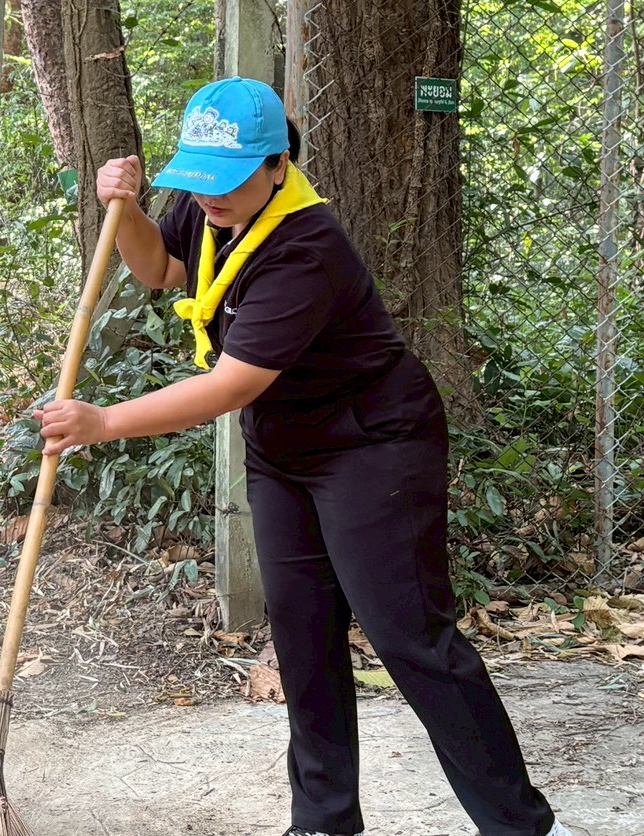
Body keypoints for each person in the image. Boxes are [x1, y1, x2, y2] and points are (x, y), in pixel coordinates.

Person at [35, 77, 573, 836]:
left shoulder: (305, 246)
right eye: (198, 178)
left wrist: (103, 421)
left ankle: (515, 825)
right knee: (301, 630)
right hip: (283, 446)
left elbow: (229, 385)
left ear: (277, 164)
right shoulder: (208, 199)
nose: (208, 198)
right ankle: (321, 820)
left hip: (372, 444)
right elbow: (160, 270)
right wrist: (118, 210)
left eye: (226, 181)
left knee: (407, 638)